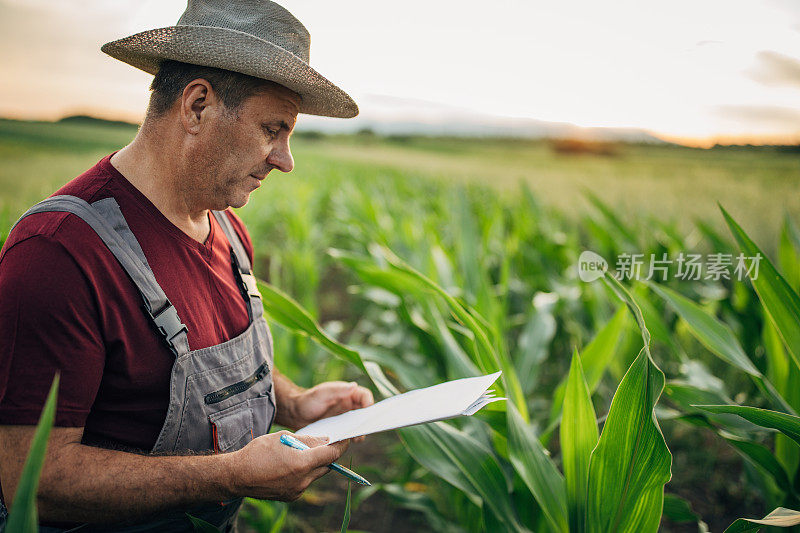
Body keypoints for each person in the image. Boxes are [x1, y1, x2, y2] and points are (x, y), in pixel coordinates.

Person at [0, 1, 372, 531]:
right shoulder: (58, 253)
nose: (285, 159)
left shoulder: (226, 228)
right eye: (273, 129)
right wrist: (230, 476)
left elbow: (213, 369)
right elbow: (33, 483)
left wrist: (296, 405)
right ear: (196, 106)